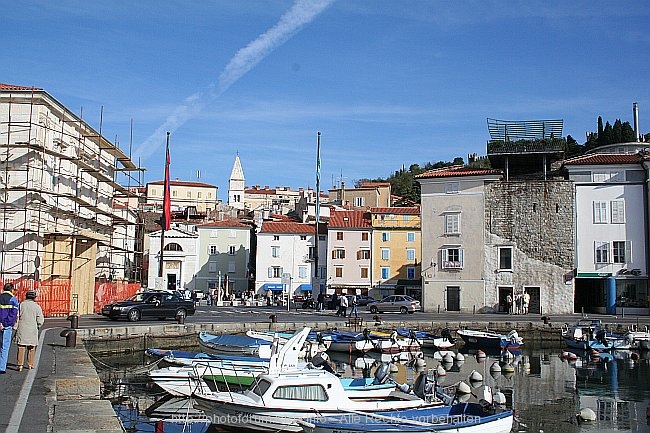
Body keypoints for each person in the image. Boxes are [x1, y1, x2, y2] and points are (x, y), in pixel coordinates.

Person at [14, 290, 44, 371]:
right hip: (32, 328)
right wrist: (38, 325)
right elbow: (40, 319)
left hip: (22, 327)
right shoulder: (37, 306)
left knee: (21, 346)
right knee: (31, 347)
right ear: (34, 297)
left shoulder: (21, 305)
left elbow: (17, 316)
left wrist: (15, 326)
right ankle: (30, 364)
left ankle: (20, 365)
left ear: (26, 296)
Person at [0, 282, 20, 374]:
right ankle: (2, 367)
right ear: (11, 289)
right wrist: (5, 324)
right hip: (6, 326)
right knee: (5, 346)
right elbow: (13, 315)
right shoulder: (14, 300)